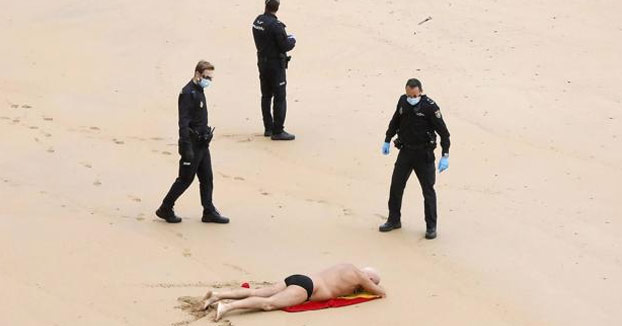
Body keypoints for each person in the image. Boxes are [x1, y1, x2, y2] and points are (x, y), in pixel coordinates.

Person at [156, 60, 229, 224]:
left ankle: (208, 210)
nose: (208, 81)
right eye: (206, 77)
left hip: (203, 144)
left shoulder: (200, 90)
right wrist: (186, 147)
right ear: (197, 74)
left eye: (211, 78)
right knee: (185, 179)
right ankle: (165, 207)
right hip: (192, 144)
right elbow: (183, 123)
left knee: (207, 178)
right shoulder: (188, 93)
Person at [380, 78, 451, 239]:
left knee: (428, 191)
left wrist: (445, 155)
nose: (411, 98)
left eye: (414, 95)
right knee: (396, 186)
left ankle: (431, 227)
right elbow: (395, 121)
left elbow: (444, 133)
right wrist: (387, 139)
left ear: (420, 92)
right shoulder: (403, 101)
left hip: (424, 155)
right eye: (408, 95)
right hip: (405, 152)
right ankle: (393, 220)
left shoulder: (430, 108)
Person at [200, 263, 385, 321]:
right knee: (268, 303)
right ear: (368, 278)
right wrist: (374, 285)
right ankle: (226, 307)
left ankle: (217, 295)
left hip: (300, 278)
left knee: (259, 292)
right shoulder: (360, 277)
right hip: (307, 289)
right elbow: (380, 292)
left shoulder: (347, 266)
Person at [252, 0, 297, 141]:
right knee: (279, 97)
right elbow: (284, 45)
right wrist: (292, 40)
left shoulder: (257, 21)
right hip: (275, 65)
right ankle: (278, 130)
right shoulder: (276, 26)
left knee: (266, 95)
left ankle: (268, 127)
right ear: (277, 8)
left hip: (262, 62)